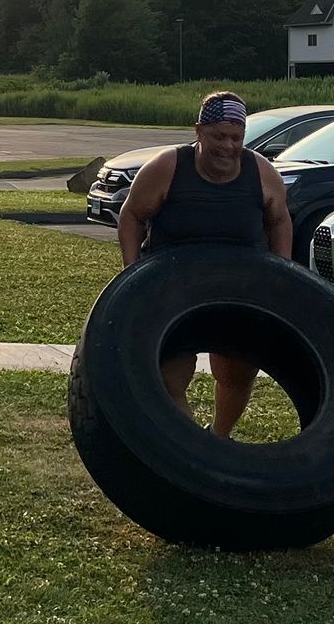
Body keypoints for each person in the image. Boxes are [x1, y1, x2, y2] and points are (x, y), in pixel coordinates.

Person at [115, 90, 292, 437]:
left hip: (237, 289)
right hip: (172, 288)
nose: (227, 146)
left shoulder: (261, 173)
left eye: (236, 137)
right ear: (198, 130)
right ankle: (194, 449)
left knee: (236, 375)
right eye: (218, 136)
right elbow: (131, 215)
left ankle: (218, 439)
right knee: (169, 377)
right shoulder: (168, 167)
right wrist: (132, 274)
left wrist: (281, 273)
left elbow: (279, 221)